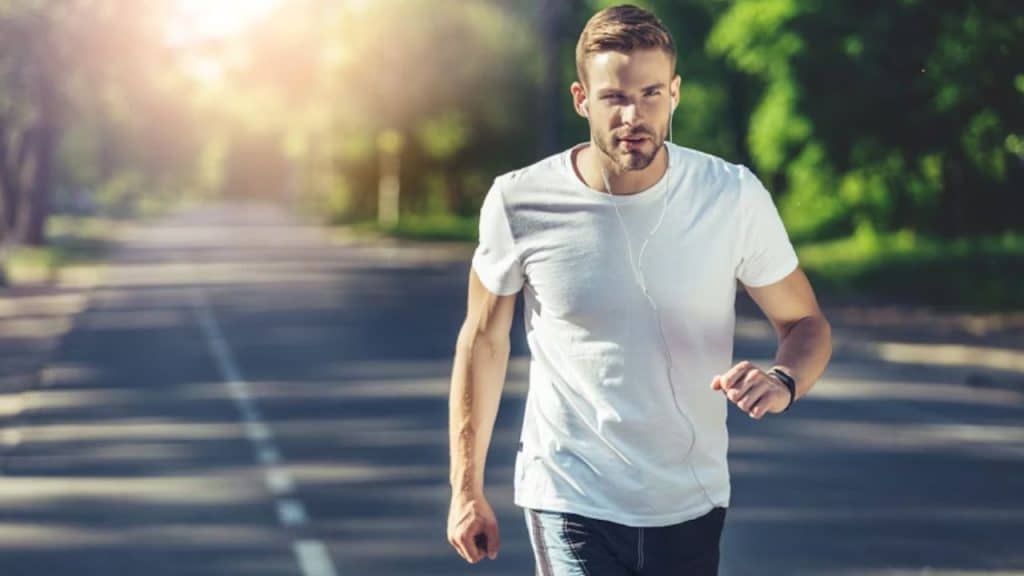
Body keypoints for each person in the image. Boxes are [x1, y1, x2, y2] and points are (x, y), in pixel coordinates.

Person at [446, 4, 832, 575]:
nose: (634, 114)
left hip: (690, 498)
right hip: (569, 494)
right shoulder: (518, 201)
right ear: (582, 100)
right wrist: (465, 488)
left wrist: (783, 379)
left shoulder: (730, 196)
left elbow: (806, 325)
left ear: (675, 93)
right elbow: (482, 342)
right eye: (614, 98)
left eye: (652, 94)